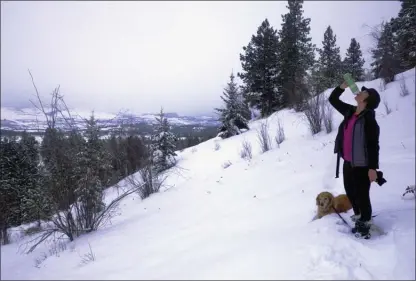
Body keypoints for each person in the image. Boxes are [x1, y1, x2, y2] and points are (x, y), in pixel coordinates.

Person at [329, 81, 381, 239]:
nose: (359, 92)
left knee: (362, 196)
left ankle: (366, 224)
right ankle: (359, 217)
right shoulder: (350, 112)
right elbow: (333, 100)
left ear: (367, 100)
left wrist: (373, 168)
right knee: (351, 193)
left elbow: (373, 146)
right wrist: (341, 88)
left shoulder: (370, 120)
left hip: (362, 165)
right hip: (347, 162)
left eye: (364, 92)